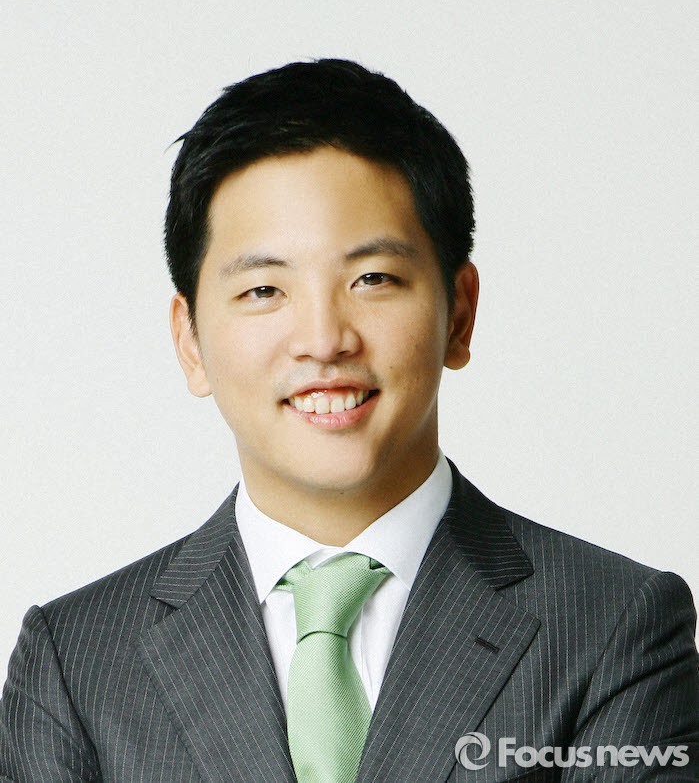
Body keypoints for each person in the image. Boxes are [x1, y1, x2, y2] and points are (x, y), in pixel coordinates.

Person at [1, 59, 697, 783]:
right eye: (264, 289)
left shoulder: (613, 627)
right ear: (191, 341)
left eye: (373, 279)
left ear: (458, 315)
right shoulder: (74, 663)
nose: (324, 340)